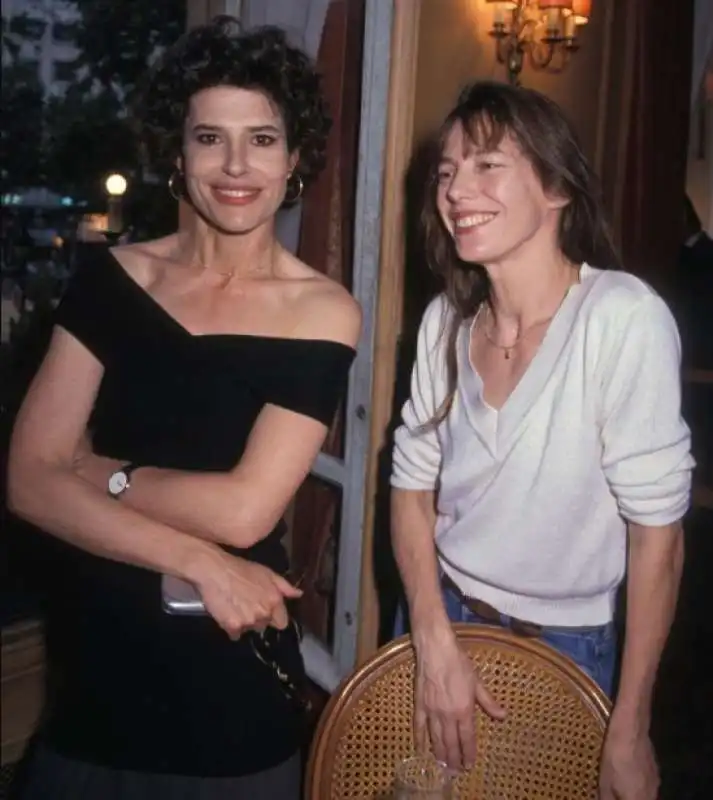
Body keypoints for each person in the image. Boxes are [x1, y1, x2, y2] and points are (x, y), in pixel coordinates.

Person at [7, 18, 360, 800]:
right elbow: (28, 481)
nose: (236, 166)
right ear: (177, 152)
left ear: (296, 157)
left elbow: (242, 513)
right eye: (210, 137)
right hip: (94, 679)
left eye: (263, 139)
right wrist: (199, 559)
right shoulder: (111, 280)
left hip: (227, 681)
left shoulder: (321, 309)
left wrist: (98, 473)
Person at [390, 81, 693, 800]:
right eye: (445, 171)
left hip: (563, 644)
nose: (457, 188)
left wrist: (629, 723)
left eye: (487, 164)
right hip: (438, 612)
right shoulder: (446, 321)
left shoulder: (620, 318)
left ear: (556, 186)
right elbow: (409, 491)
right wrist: (432, 641)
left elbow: (659, 540)